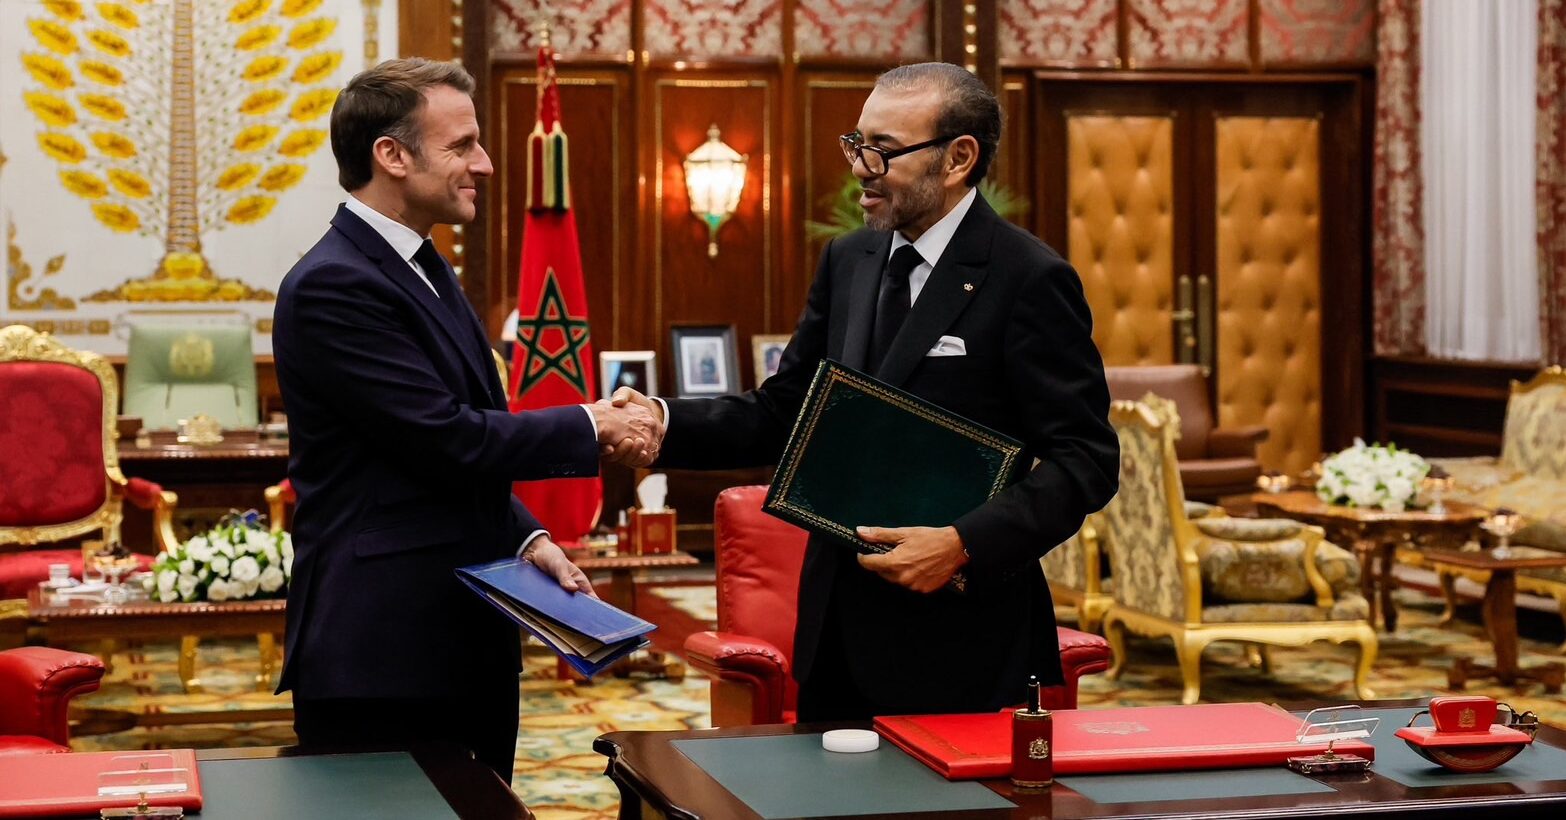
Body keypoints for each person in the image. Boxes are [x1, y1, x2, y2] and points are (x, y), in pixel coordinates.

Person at [614, 63, 1118, 719]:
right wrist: (661, 423)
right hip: (836, 631)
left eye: (883, 149)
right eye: (856, 145)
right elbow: (785, 411)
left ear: (959, 157)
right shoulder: (850, 260)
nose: (860, 167)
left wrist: (963, 542)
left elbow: (1087, 458)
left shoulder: (1027, 278)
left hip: (960, 642)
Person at [271, 58, 661, 779]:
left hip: (465, 635)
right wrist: (592, 424)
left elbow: (439, 453)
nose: (482, 164)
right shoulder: (335, 284)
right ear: (391, 154)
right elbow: (444, 437)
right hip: (382, 651)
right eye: (461, 146)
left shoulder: (423, 264)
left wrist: (529, 535)